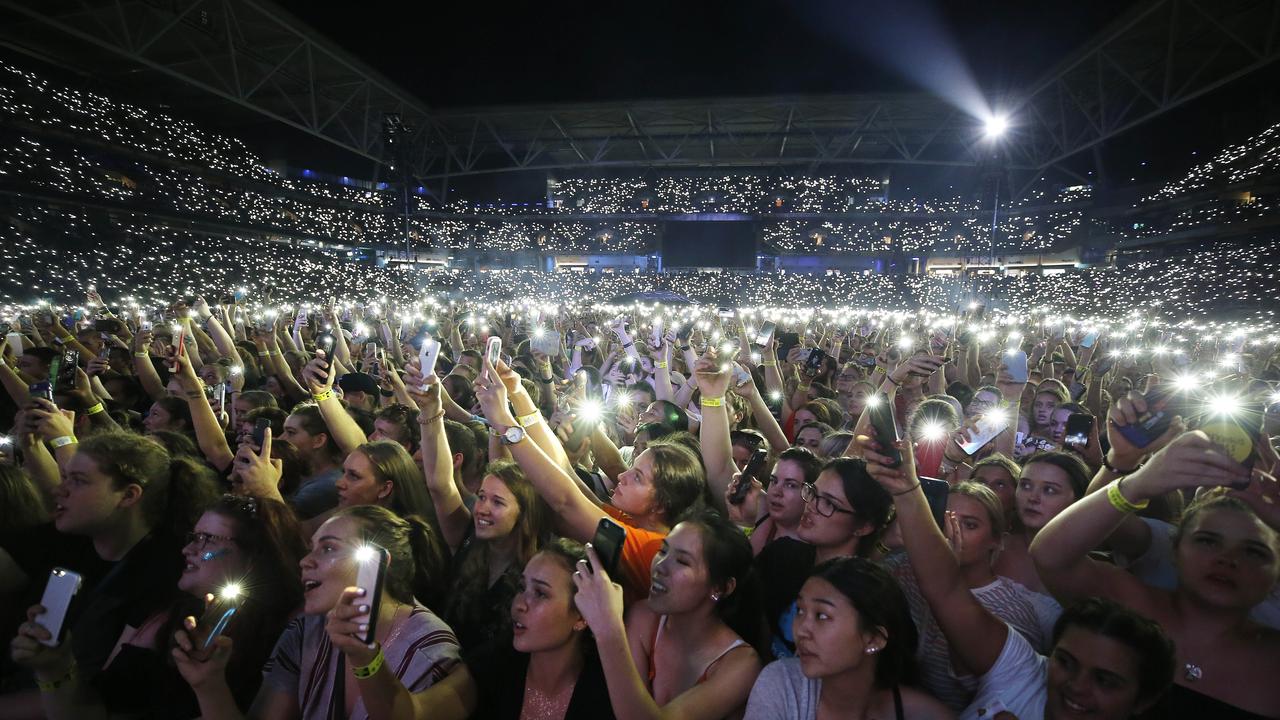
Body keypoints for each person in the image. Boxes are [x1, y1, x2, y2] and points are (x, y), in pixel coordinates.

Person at [862, 430, 1178, 720]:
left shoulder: (1063, 593)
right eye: (1064, 662)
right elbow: (944, 591)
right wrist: (906, 494)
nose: (1077, 686)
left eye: (1105, 680)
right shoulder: (1024, 673)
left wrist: (1124, 468)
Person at [1030, 418, 1280, 718]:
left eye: (1253, 551)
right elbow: (1050, 556)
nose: (1228, 559)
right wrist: (1137, 482)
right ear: (1175, 549)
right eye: (1208, 541)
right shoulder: (1129, 607)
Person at [11, 495, 305, 719]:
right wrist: (55, 668)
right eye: (193, 537)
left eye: (207, 540)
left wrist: (209, 686)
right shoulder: (168, 617)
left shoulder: (286, 636)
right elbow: (90, 711)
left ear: (255, 556)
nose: (187, 549)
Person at [171, 505, 473, 720]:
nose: (305, 561)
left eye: (327, 549)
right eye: (311, 547)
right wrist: (209, 685)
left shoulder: (425, 647)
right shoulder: (306, 630)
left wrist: (365, 659)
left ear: (377, 563)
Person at [2, 431, 221, 712]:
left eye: (78, 481)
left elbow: (102, 701)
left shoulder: (166, 575)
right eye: (65, 477)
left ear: (129, 495)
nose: (60, 490)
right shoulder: (66, 537)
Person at [473, 357, 705, 598]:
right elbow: (568, 474)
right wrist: (518, 392)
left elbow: (566, 501)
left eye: (638, 477)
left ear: (661, 503)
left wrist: (503, 422)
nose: (622, 476)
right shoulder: (630, 521)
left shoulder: (654, 548)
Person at [572, 508, 764, 719]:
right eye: (663, 551)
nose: (660, 567)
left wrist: (608, 629)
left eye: (682, 561)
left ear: (721, 587)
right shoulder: (645, 618)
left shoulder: (741, 664)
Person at [884, 482, 1050, 710]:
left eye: (969, 525)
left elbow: (988, 691)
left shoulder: (1010, 612)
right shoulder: (906, 568)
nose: (953, 532)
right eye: (944, 520)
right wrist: (886, 543)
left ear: (996, 540)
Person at [744, 557, 952, 719]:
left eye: (822, 616)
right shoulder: (782, 684)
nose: (801, 630)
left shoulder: (925, 715)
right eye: (800, 610)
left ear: (874, 639)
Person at [459, 539, 615, 719]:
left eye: (540, 593)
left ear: (581, 616)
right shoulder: (497, 661)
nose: (519, 604)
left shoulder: (606, 695)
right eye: (522, 587)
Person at [755, 456, 893, 657]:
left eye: (829, 503)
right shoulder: (782, 556)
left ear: (863, 526)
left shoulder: (868, 598)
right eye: (812, 493)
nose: (810, 506)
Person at [749, 447, 821, 555]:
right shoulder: (759, 510)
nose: (776, 492)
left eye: (790, 485)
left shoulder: (818, 549)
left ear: (810, 493)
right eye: (774, 481)